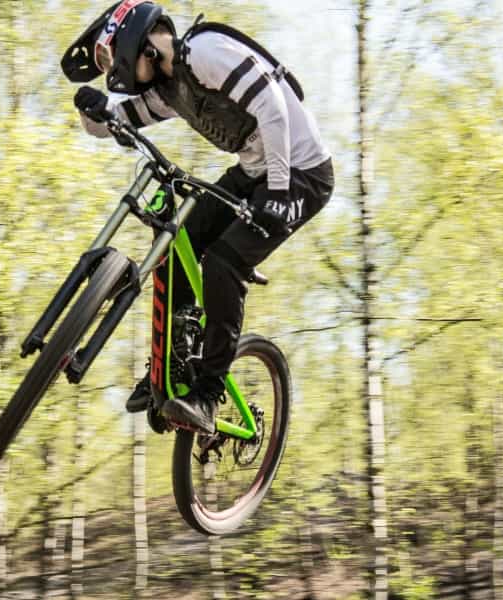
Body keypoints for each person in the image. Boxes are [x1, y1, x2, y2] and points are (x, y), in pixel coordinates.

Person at [61, 0, 334, 434]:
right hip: (254, 171)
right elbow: (110, 124)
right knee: (176, 242)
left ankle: (207, 396)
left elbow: (272, 107)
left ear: (140, 45)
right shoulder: (168, 94)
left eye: (117, 61)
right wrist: (89, 109)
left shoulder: (204, 52)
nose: (118, 76)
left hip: (300, 174)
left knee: (224, 263)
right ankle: (175, 364)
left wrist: (279, 192)